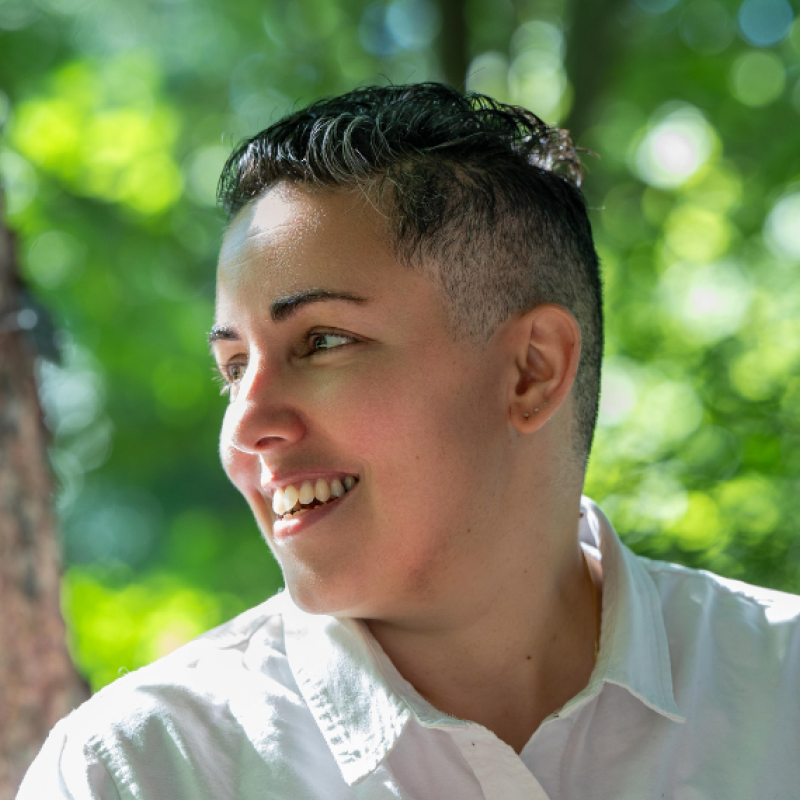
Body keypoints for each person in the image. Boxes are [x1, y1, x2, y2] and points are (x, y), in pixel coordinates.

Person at [17, 83, 800, 800]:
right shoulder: (137, 772)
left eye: (322, 341)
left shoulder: (781, 691)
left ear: (530, 372)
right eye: (233, 367)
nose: (246, 427)